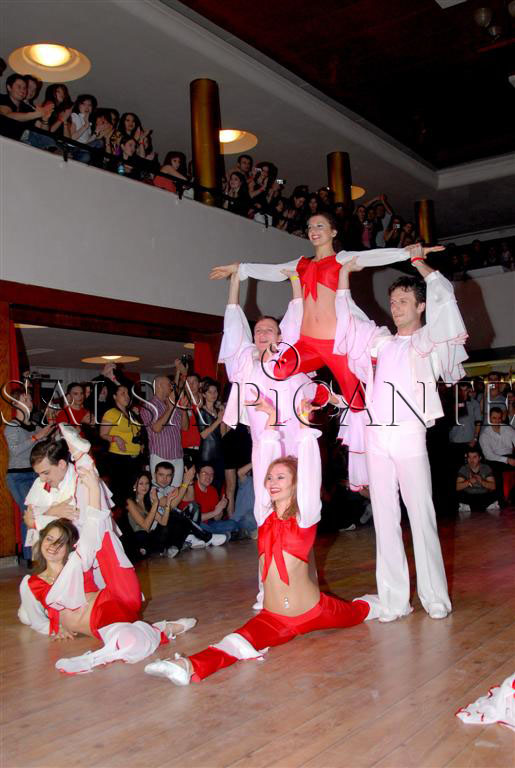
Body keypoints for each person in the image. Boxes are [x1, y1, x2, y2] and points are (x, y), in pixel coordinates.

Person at [144, 398, 372, 686]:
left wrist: (304, 428)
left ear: (296, 483)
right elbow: (264, 458)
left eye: (281, 477)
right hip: (274, 617)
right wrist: (270, 426)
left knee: (358, 612)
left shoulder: (305, 517)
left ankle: (382, 605)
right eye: (270, 478)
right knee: (236, 641)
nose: (272, 482)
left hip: (315, 611)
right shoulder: (265, 517)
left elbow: (310, 472)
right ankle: (185, 666)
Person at [210, 211, 426, 489]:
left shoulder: (341, 259)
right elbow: (272, 270)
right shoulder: (301, 264)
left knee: (357, 403)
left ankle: (374, 465)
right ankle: (310, 402)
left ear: (333, 232)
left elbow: (372, 257)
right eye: (310, 226)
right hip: (307, 345)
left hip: (334, 345)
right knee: (277, 370)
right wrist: (239, 269)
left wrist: (408, 253)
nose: (313, 230)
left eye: (320, 226)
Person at [335, 246, 468, 621]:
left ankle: (435, 596)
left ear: (420, 306)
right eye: (393, 301)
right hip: (377, 436)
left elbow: (445, 300)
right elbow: (348, 319)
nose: (395, 307)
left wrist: (418, 262)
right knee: (384, 518)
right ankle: (394, 599)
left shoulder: (427, 341)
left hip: (409, 435)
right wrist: (344, 274)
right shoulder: (381, 341)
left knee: (421, 516)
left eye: (404, 301)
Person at [19, 448, 197, 675]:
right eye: (49, 540)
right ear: (41, 541)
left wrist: (92, 485)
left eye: (60, 542)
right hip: (107, 617)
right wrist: (55, 627)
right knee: (131, 639)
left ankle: (87, 467)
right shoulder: (31, 583)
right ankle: (161, 629)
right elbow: (37, 622)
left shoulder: (76, 565)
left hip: (116, 597)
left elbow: (93, 527)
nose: (53, 546)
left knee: (101, 536)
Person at [5, 388, 54, 561]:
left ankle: (36, 554)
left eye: (30, 399)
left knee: (39, 512)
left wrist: (51, 431)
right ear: (15, 403)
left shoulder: (35, 425)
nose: (30, 403)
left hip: (36, 475)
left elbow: (44, 446)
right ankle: (31, 557)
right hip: (18, 476)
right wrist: (37, 437)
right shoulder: (12, 426)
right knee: (30, 513)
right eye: (25, 399)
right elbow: (16, 450)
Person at [99, 384, 144, 509]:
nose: (127, 396)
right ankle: (120, 518)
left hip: (135, 457)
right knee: (120, 494)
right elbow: (102, 434)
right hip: (119, 458)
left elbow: (137, 432)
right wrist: (116, 438)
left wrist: (141, 443)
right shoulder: (111, 413)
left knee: (133, 491)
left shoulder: (131, 413)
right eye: (122, 393)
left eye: (127, 393)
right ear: (114, 396)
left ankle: (132, 517)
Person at [140, 375, 187, 484]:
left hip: (177, 455)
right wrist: (169, 409)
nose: (171, 387)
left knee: (176, 490)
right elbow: (156, 428)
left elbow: (185, 427)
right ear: (160, 385)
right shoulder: (149, 405)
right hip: (160, 455)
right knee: (159, 491)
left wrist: (183, 410)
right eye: (169, 384)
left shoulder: (173, 404)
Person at [479, 407, 515, 506]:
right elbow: (488, 455)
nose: (497, 421)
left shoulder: (508, 428)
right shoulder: (484, 434)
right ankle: (500, 501)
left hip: (509, 455)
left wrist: (510, 459)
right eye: (494, 418)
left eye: (499, 418)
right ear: (489, 418)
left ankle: (513, 497)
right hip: (494, 459)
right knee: (496, 470)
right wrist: (507, 460)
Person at [0, 73, 52, 140]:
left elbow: (43, 133)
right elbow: (7, 115)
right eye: (19, 87)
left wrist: (45, 119)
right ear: (9, 87)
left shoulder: (27, 108)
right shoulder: (2, 98)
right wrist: (37, 114)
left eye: (24, 88)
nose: (22, 90)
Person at [456, 448, 497, 516]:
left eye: (474, 457)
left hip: (483, 495)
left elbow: (493, 487)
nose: (471, 460)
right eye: (469, 457)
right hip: (468, 496)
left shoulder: (486, 468)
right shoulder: (464, 468)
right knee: (458, 496)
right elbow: (457, 487)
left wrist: (481, 481)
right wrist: (469, 481)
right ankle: (479, 507)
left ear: (480, 458)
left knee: (494, 494)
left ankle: (473, 507)